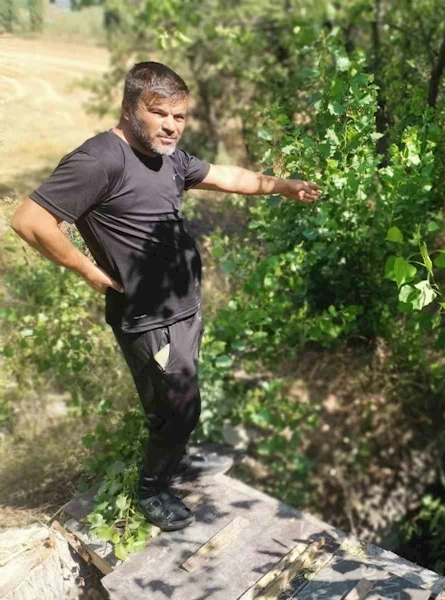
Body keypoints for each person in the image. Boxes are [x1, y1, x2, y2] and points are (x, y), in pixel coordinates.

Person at [10, 62, 322, 531]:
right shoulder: (100, 160)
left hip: (183, 309)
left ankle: (172, 456)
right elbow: (30, 220)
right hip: (148, 318)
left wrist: (283, 187)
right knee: (178, 406)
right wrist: (87, 270)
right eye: (159, 113)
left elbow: (227, 177)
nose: (171, 126)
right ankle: (152, 490)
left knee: (177, 402)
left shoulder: (168, 158)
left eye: (179, 116)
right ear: (129, 107)